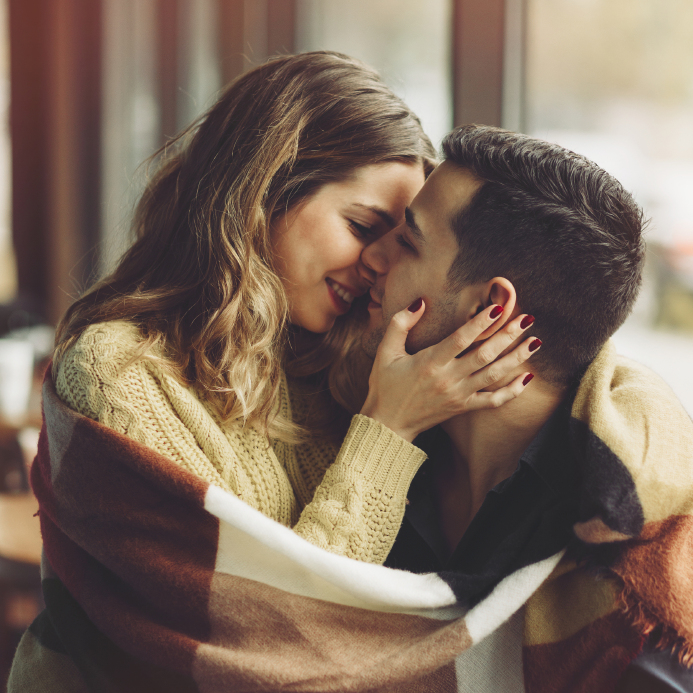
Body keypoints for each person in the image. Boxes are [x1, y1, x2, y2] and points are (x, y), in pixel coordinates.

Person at [8, 56, 539, 690]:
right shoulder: (118, 374)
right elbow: (264, 648)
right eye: (364, 226)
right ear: (262, 193)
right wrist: (388, 434)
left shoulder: (343, 362)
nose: (379, 262)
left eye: (400, 241)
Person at [356, 124, 693, 690]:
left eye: (408, 243)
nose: (372, 255)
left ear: (492, 309)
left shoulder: (628, 563)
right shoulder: (365, 417)